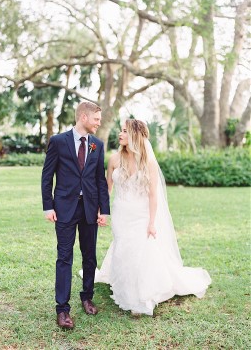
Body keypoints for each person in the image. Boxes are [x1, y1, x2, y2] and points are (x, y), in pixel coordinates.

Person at [95, 119, 211, 316]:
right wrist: (101, 211)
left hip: (141, 215)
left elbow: (153, 195)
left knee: (140, 253)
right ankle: (125, 286)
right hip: (121, 213)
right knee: (123, 248)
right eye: (120, 131)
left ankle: (140, 297)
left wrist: (151, 222)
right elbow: (107, 189)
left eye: (124, 131)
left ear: (134, 135)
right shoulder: (114, 160)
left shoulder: (148, 161)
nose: (120, 134)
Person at [41, 101, 110, 329]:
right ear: (83, 117)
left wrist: (104, 210)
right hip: (64, 208)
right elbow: (47, 175)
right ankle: (62, 309)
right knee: (64, 257)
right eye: (96, 119)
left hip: (90, 208)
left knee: (89, 255)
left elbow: (100, 180)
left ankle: (87, 297)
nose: (99, 123)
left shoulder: (97, 145)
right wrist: (48, 206)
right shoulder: (58, 142)